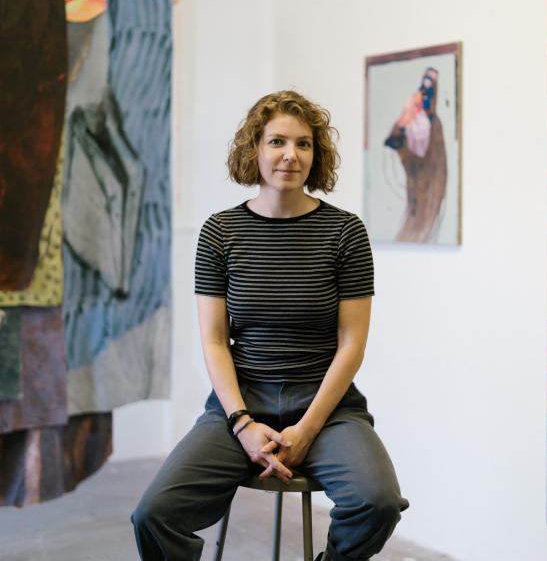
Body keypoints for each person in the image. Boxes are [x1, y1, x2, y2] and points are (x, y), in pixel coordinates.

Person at [131, 90, 408, 560]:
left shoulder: (345, 233)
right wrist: (241, 423)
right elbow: (215, 340)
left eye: (304, 144)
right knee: (154, 514)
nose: (290, 155)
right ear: (254, 149)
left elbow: (352, 343)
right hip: (239, 402)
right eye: (277, 141)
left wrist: (307, 429)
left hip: (327, 405)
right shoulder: (220, 233)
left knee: (377, 503)